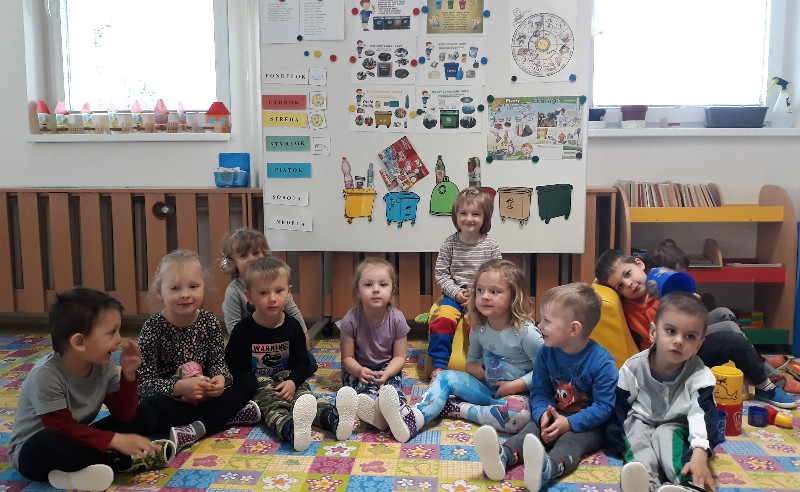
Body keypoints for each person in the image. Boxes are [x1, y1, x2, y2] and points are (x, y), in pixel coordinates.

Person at [8, 287, 175, 492]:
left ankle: (81, 470)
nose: (119, 339)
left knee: (145, 413)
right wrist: (115, 441)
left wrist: (129, 374)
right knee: (47, 441)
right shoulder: (46, 375)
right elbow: (61, 428)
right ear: (79, 342)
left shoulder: (103, 366)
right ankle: (119, 460)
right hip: (36, 451)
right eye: (111, 332)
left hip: (77, 438)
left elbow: (124, 414)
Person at [596, 249, 797, 409]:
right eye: (620, 286)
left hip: (683, 336)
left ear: (640, 264)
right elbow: (670, 330)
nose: (629, 284)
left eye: (628, 274)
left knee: (724, 314)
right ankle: (765, 384)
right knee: (731, 337)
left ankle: (756, 364)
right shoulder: (636, 306)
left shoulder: (656, 285)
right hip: (672, 353)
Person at [474, 283, 618, 491]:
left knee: (569, 442)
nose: (539, 326)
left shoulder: (603, 362)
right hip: (554, 412)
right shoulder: (546, 351)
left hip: (589, 424)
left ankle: (547, 469)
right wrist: (543, 414)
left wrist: (569, 423)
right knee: (530, 433)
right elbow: (540, 390)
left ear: (573, 329)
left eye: (547, 321)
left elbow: (604, 407)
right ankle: (502, 456)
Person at [378, 259, 542, 442]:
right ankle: (414, 418)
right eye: (480, 290)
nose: (485, 296)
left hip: (518, 397)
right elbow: (470, 361)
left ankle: (456, 409)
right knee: (444, 376)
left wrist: (515, 385)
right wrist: (474, 368)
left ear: (514, 296)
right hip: (485, 388)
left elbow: (546, 369)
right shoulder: (479, 328)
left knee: (519, 417)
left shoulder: (526, 332)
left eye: (494, 291)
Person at [226, 257, 358, 451]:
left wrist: (293, 382)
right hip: (259, 383)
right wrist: (249, 385)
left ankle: (333, 419)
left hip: (289, 379)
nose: (272, 298)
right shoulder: (242, 331)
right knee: (272, 407)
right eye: (263, 293)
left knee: (307, 399)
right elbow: (233, 366)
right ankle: (292, 430)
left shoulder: (293, 326)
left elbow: (303, 363)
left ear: (288, 292)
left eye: (278, 291)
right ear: (250, 297)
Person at [138, 250, 260, 452]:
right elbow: (144, 384)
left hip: (207, 398)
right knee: (148, 409)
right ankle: (226, 415)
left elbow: (218, 362)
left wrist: (220, 380)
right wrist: (179, 388)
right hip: (173, 402)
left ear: (203, 287)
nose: (185, 294)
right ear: (160, 292)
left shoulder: (209, 321)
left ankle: (195, 429)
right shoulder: (152, 328)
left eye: (193, 287)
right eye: (175, 288)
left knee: (247, 380)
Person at [644, 239, 799, 394]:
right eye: (676, 278)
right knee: (729, 328)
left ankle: (757, 361)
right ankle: (767, 376)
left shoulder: (659, 292)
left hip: (685, 332)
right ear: (657, 274)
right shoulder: (651, 300)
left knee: (724, 313)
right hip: (677, 344)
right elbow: (677, 326)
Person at [609, 292, 720, 492]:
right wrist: (618, 442)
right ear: (654, 332)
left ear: (698, 345)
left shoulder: (700, 376)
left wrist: (700, 453)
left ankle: (688, 484)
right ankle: (644, 484)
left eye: (690, 336)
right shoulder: (633, 368)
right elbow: (620, 407)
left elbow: (702, 416)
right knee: (636, 436)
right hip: (642, 419)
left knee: (666, 435)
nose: (679, 341)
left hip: (677, 424)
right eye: (670, 331)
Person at [429, 187, 502, 378]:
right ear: (456, 216)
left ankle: (481, 365)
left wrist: (479, 295)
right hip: (454, 294)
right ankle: (439, 365)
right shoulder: (449, 244)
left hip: (481, 296)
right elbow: (441, 274)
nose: (469, 218)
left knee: (478, 325)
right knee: (442, 318)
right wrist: (455, 293)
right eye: (463, 213)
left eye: (476, 214)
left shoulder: (491, 246)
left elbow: (497, 276)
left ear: (485, 217)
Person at [338, 258, 410, 431]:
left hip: (387, 366)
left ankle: (396, 410)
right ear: (358, 290)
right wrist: (358, 371)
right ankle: (374, 411)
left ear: (393, 290)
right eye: (368, 284)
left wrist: (387, 373)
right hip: (358, 367)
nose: (376, 289)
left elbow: (400, 357)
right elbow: (347, 358)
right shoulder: (350, 320)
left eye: (383, 285)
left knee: (393, 388)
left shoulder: (397, 318)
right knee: (363, 389)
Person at [220, 228, 308, 341]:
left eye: (256, 253)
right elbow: (234, 330)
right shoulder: (234, 291)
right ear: (233, 262)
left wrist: (304, 338)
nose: (251, 259)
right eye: (243, 255)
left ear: (265, 254)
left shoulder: (276, 284)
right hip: (251, 342)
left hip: (281, 338)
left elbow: (295, 316)